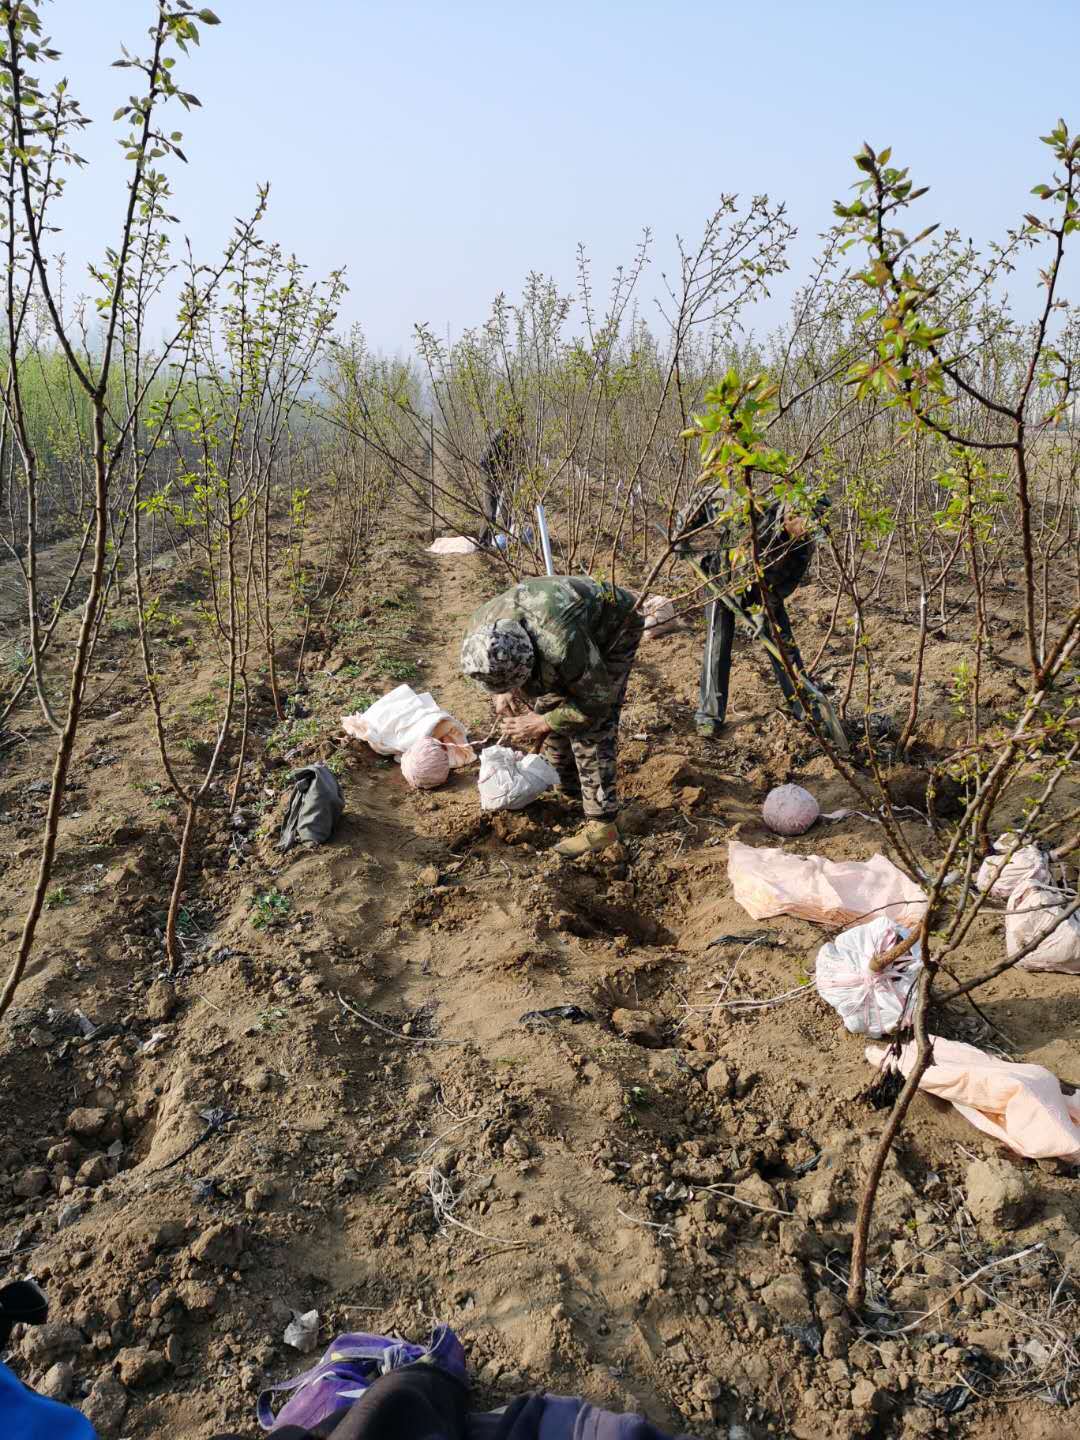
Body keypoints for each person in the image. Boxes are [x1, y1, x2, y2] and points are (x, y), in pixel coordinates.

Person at [460, 575, 644, 858]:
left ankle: (602, 825)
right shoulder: (479, 633)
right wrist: (501, 691)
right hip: (560, 626)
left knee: (590, 726)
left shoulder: (560, 643)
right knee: (550, 706)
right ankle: (568, 788)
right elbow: (497, 667)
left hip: (616, 625)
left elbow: (595, 701)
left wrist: (542, 722)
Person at [679, 486, 827, 737]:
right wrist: (682, 534)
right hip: (723, 579)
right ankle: (709, 716)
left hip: (765, 590)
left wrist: (763, 610)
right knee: (718, 644)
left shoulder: (805, 542)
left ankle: (805, 707)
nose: (808, 530)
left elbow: (787, 582)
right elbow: (708, 497)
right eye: (806, 523)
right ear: (790, 515)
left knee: (783, 643)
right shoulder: (755, 516)